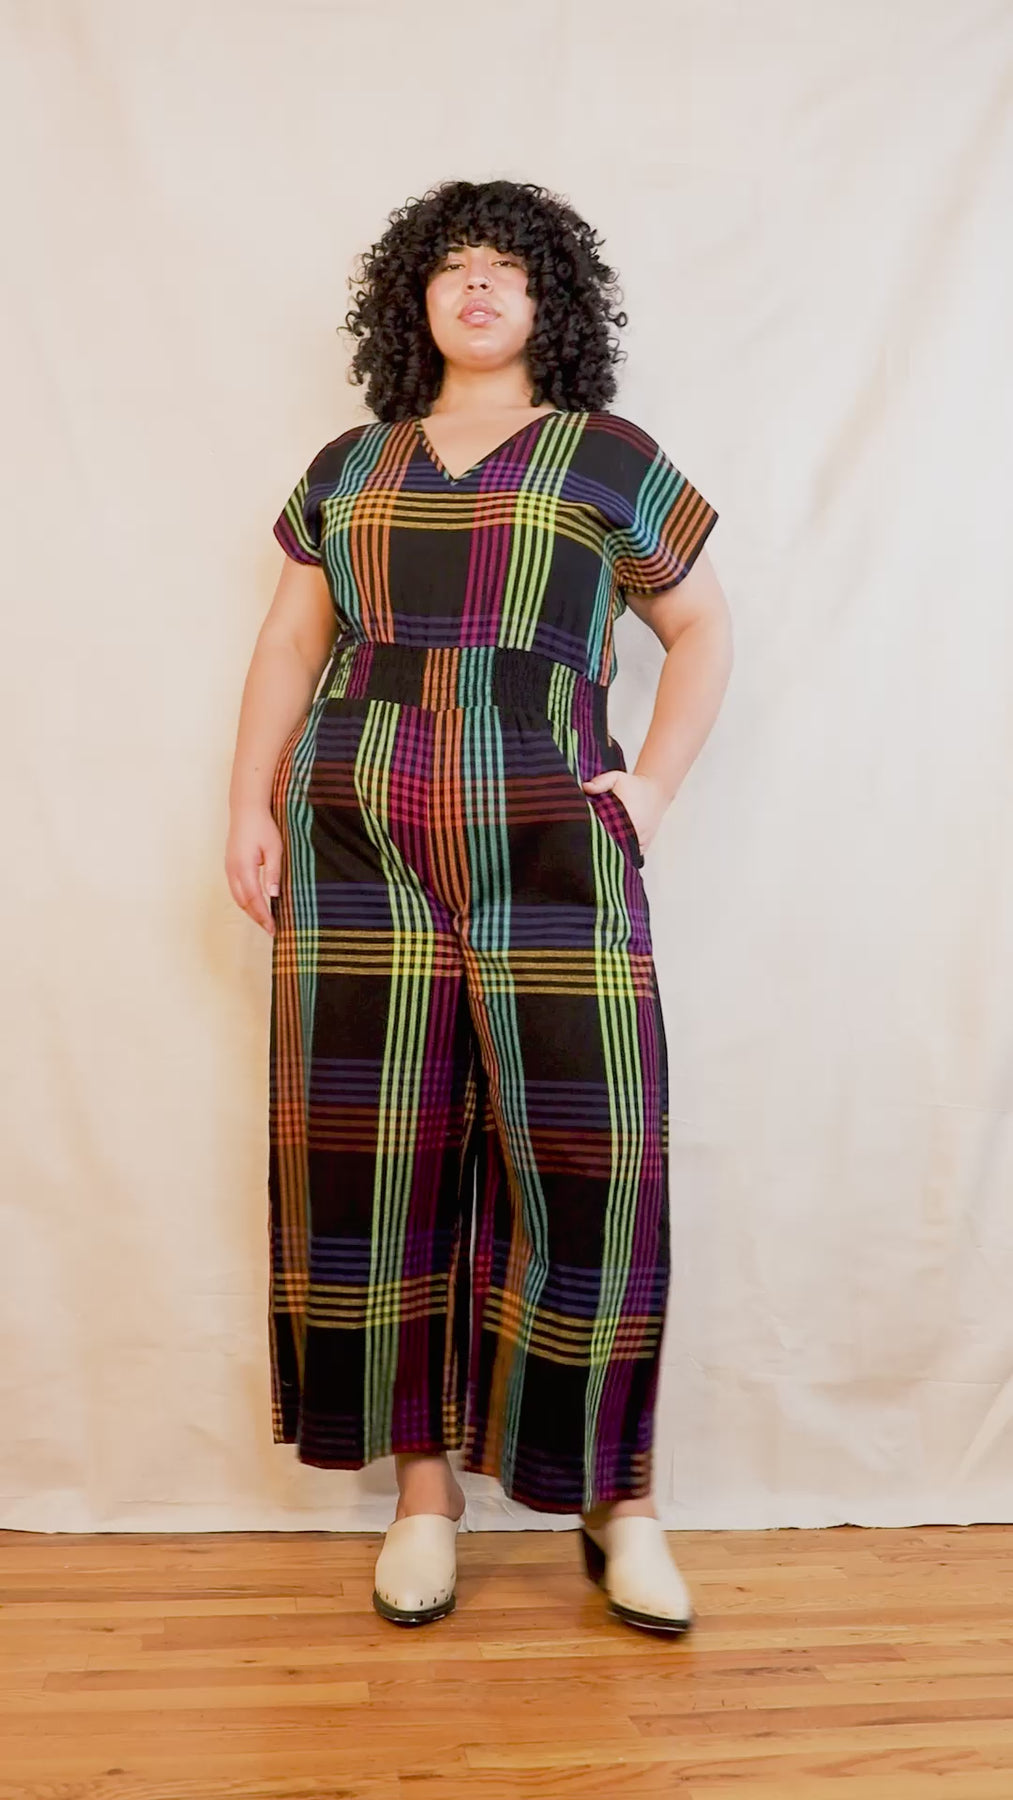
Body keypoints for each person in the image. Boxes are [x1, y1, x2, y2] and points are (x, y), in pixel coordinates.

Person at [226, 178, 733, 1634]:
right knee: (375, 1146)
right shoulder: (353, 464)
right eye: (452, 265)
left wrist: (651, 788)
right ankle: (422, 1496)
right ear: (415, 300)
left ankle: (617, 1501)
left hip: (551, 830)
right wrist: (247, 802)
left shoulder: (606, 458)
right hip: (357, 830)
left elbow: (700, 622)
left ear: (549, 302)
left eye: (508, 268)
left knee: (592, 1145)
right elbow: (289, 642)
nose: (477, 286)